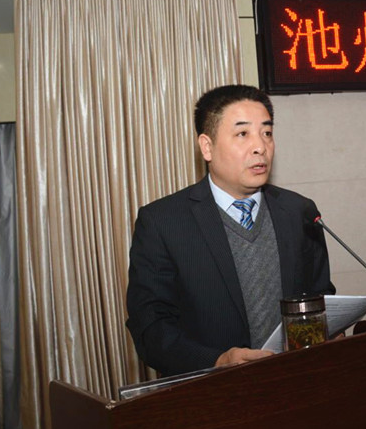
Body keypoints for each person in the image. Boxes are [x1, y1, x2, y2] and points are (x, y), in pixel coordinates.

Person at [126, 84, 335, 377]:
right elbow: (150, 327)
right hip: (212, 391)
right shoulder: (163, 222)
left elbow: (320, 296)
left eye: (267, 132)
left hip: (298, 380)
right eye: (242, 134)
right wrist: (216, 361)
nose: (260, 146)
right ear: (207, 147)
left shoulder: (299, 211)